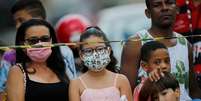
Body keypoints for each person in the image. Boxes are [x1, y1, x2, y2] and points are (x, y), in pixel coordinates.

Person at [121, 0, 201, 99]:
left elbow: (193, 90)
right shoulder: (136, 43)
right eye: (157, 5)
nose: (164, 8)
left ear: (177, 9)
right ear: (148, 13)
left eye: (169, 3)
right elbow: (126, 92)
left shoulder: (184, 44)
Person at [10, 0, 77, 79]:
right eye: (15, 22)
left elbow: (72, 83)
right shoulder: (10, 57)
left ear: (38, 19)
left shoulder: (64, 52)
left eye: (21, 20)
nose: (17, 26)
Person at [6, 19, 69, 101]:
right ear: (22, 44)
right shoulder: (17, 71)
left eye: (45, 39)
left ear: (52, 41)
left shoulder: (60, 66)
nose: (40, 44)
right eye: (33, 41)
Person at [69, 26, 132, 101]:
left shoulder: (122, 80)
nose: (95, 54)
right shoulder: (75, 84)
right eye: (89, 51)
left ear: (108, 50)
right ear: (81, 55)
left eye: (100, 49)